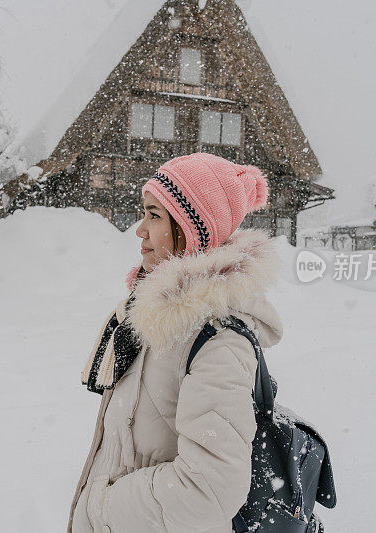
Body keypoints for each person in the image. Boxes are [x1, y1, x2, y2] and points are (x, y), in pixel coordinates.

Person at [69, 152, 285, 533]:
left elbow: (209, 490)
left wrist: (99, 506)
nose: (140, 229)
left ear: (191, 228)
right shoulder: (157, 320)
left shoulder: (218, 342)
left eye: (154, 214)